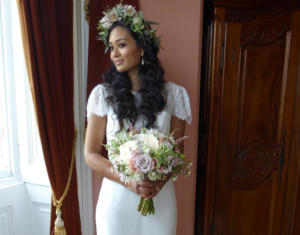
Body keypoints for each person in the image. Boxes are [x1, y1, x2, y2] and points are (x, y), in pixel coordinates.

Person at [84, 3, 192, 235]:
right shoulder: (103, 95)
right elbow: (90, 154)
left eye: (121, 45)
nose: (114, 53)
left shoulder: (174, 95)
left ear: (141, 48)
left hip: (160, 200)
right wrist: (128, 181)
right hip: (116, 202)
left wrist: (157, 183)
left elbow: (178, 154)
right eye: (111, 47)